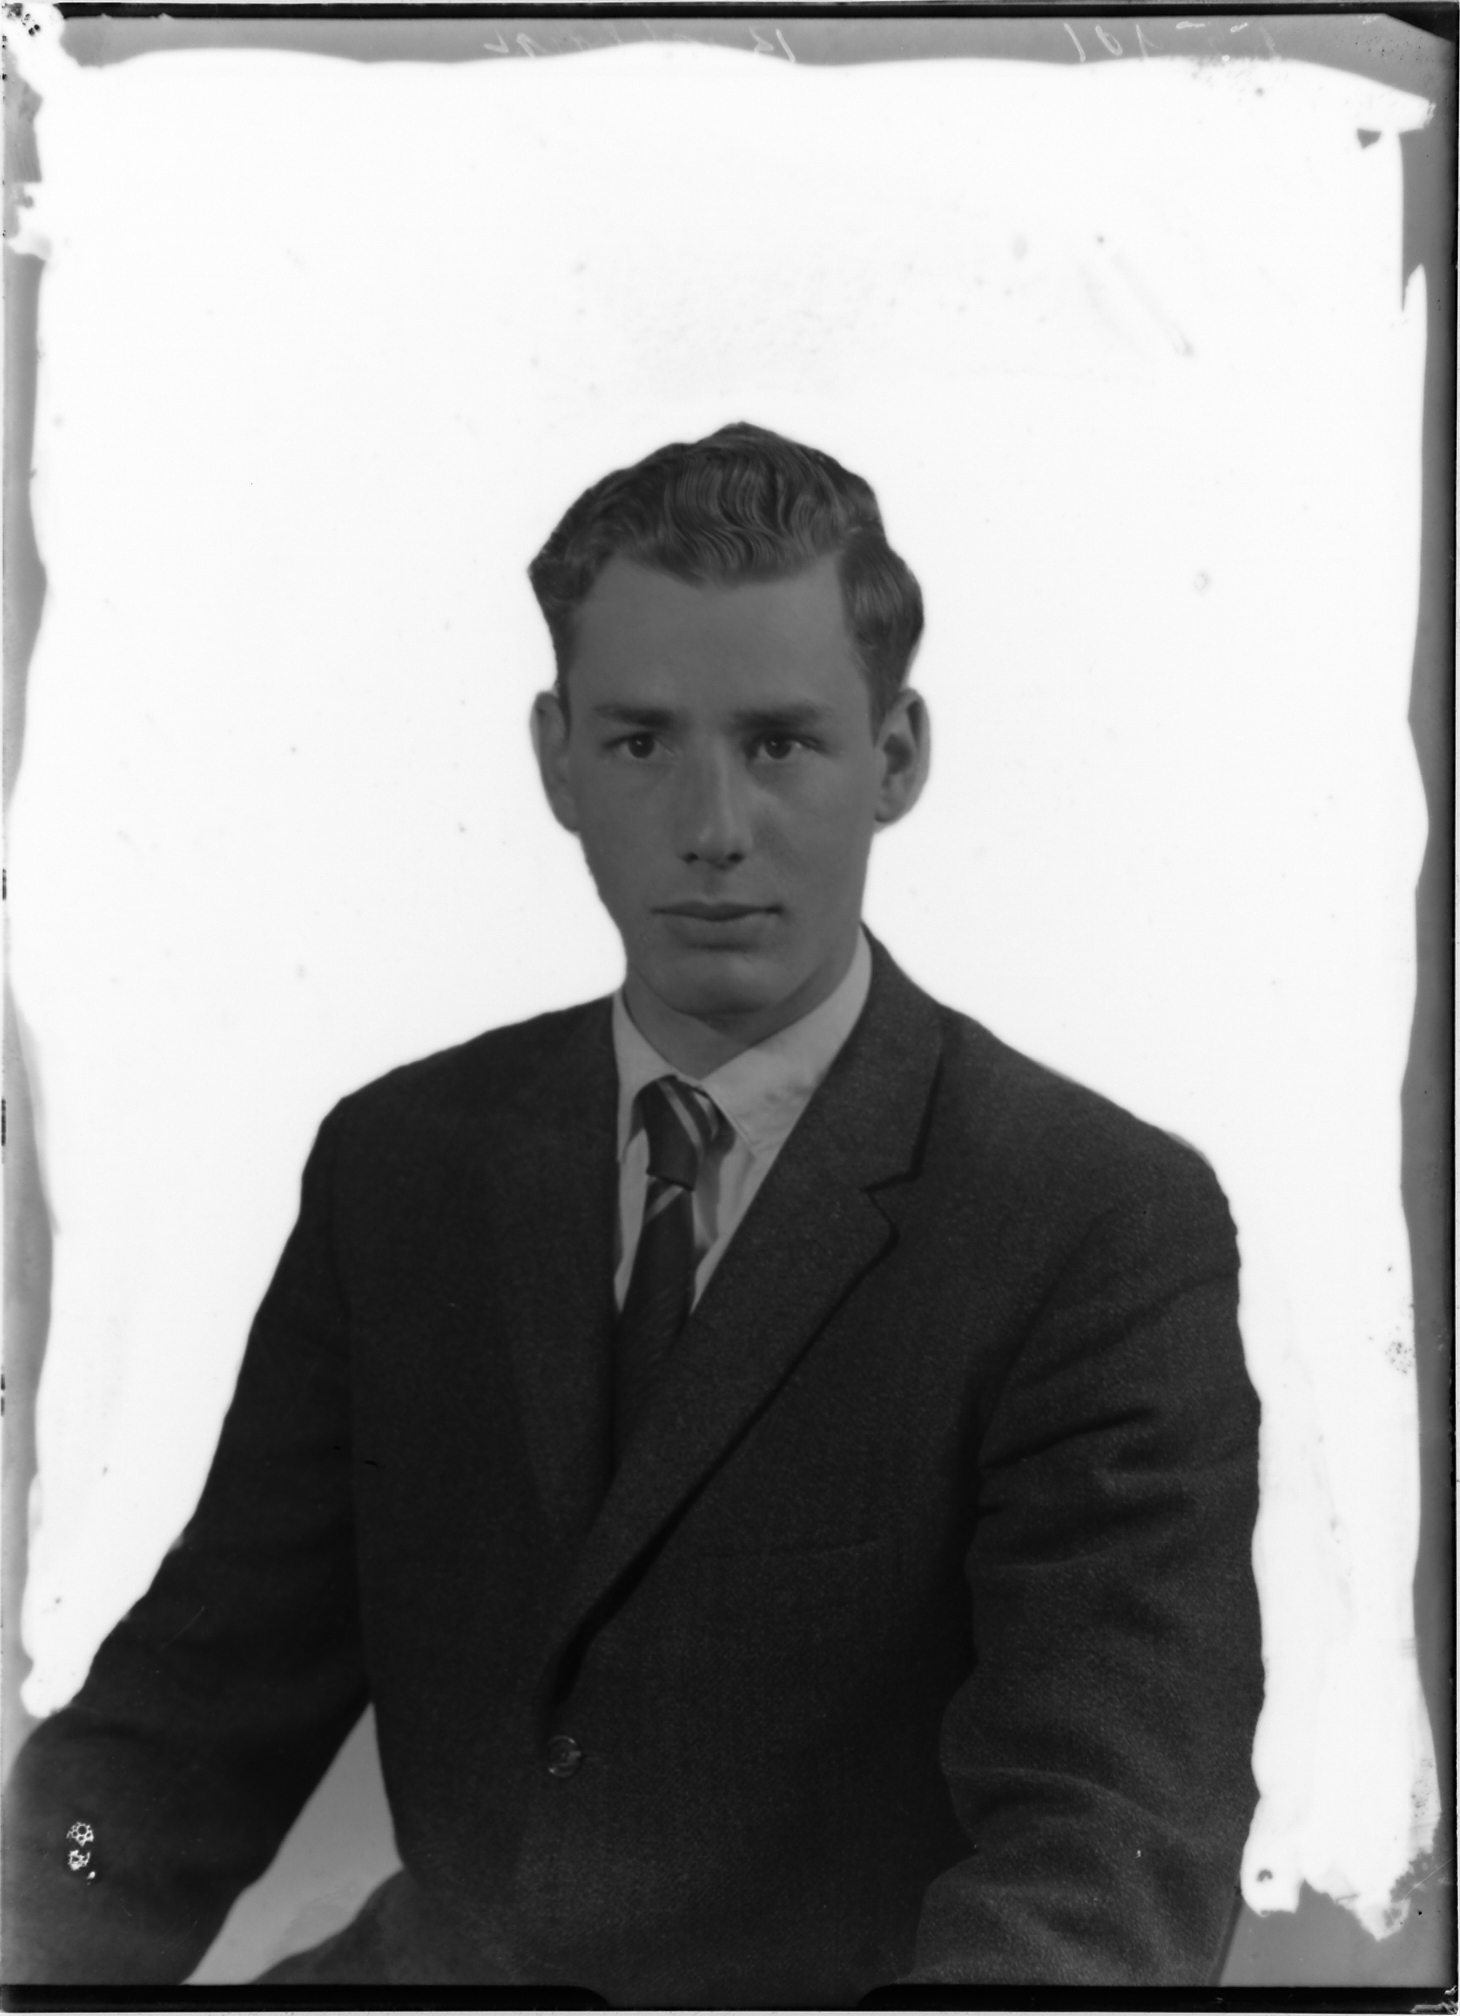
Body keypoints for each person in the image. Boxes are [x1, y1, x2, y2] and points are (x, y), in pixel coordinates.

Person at [4, 423, 1263, 1999]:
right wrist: (26, 1933)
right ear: (556, 759)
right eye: (641, 742)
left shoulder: (1094, 1219)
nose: (712, 825)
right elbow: (177, 1731)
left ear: (898, 758)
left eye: (781, 744)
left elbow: (1110, 1849)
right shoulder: (403, 1165)